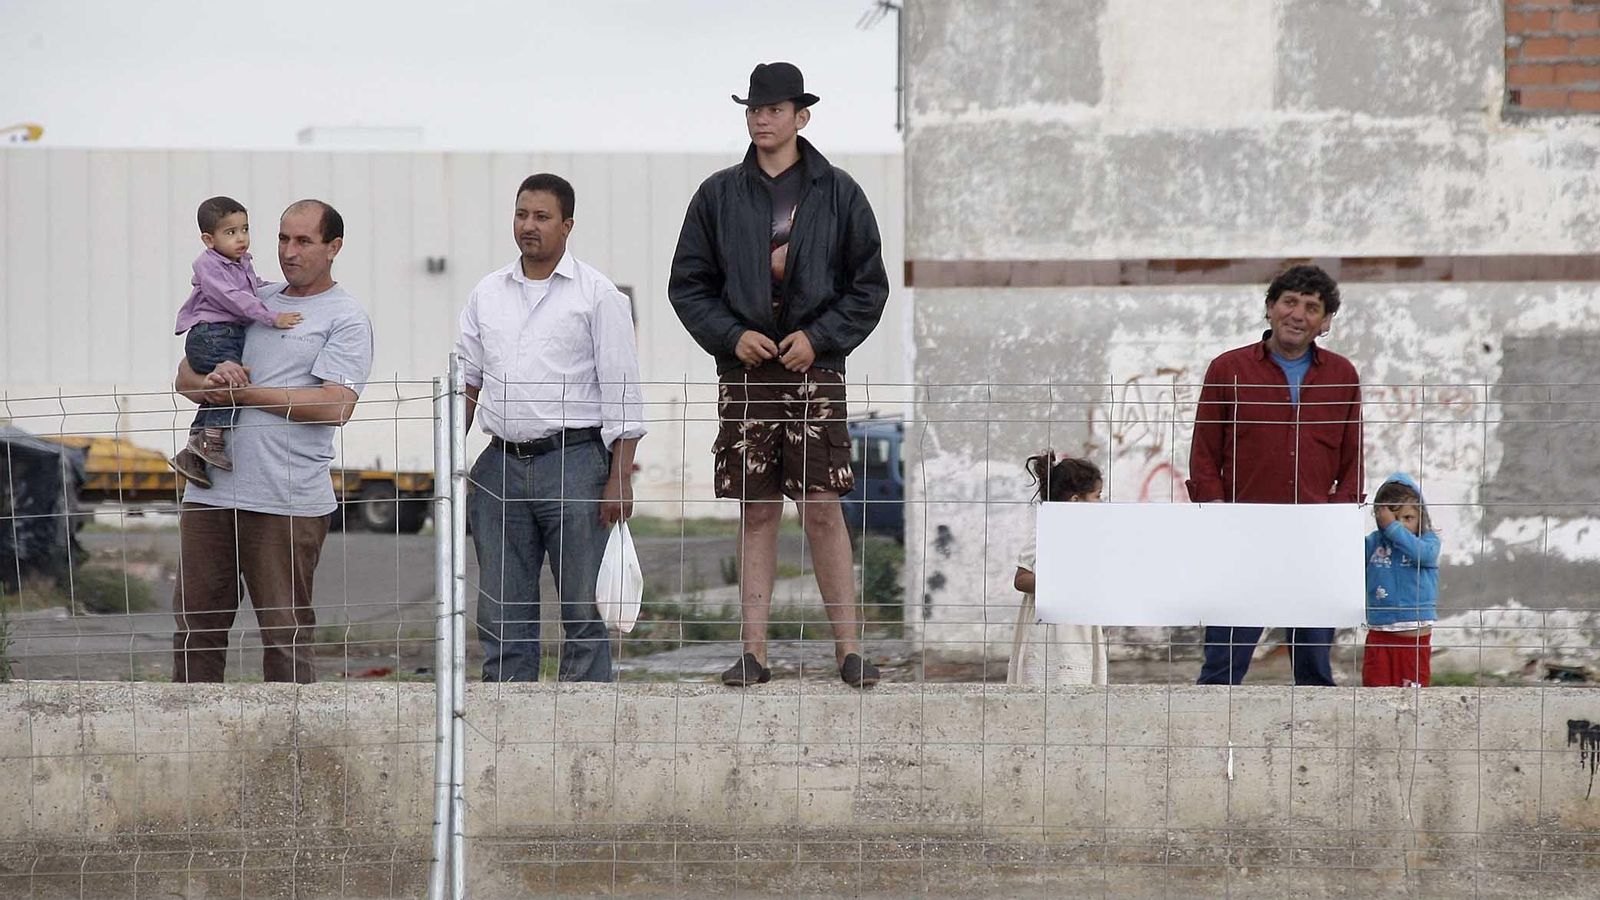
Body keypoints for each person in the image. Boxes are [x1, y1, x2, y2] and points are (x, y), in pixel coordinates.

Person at [669, 62, 890, 688]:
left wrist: (819, 339)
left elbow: (868, 286)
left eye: (773, 109)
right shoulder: (717, 194)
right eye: (754, 109)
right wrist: (731, 335)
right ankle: (754, 654)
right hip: (744, 373)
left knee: (823, 506)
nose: (762, 118)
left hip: (815, 372)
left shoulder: (840, 191)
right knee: (757, 509)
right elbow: (688, 285)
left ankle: (849, 651)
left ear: (801, 116)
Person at [170, 199, 373, 682]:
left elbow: (335, 405)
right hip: (210, 494)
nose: (289, 250)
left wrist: (245, 392)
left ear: (334, 247)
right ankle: (194, 739)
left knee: (286, 636)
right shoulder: (253, 298)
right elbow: (184, 377)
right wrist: (214, 376)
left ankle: (292, 748)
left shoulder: (345, 317)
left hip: (286, 501)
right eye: (282, 238)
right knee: (196, 633)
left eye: (304, 240)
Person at [456, 173, 645, 683]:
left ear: (567, 225)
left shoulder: (598, 296)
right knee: (501, 610)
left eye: (541, 217)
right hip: (499, 465)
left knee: (584, 610)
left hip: (576, 464)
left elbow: (622, 391)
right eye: (521, 214)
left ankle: (583, 726)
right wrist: (455, 457)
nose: (528, 226)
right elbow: (467, 380)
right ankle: (507, 718)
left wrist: (619, 477)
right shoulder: (487, 294)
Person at [1187, 264, 1362, 686]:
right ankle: (1210, 733)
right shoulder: (1228, 369)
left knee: (1314, 662)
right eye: (1289, 302)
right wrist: (1217, 513)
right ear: (1270, 308)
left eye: (1312, 307)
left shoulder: (1342, 376)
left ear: (1325, 323)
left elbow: (1352, 459)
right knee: (1225, 659)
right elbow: (1204, 453)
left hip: (1314, 536)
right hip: (1243, 532)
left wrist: (1336, 520)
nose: (1298, 314)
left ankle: (1316, 743)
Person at [168, 196, 304, 487]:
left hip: (225, 333)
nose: (241, 238)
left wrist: (277, 290)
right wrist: (272, 316)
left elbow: (252, 288)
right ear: (208, 239)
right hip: (212, 334)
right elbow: (235, 298)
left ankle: (193, 448)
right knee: (232, 382)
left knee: (222, 386)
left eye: (244, 229)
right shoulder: (209, 266)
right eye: (230, 232)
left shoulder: (240, 262)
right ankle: (212, 440)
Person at [1009, 453, 1109, 686]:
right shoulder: (1047, 534)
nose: (1101, 503)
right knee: (1049, 680)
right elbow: (1021, 579)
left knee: (1080, 684)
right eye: (1097, 496)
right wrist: (1059, 583)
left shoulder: (1093, 538)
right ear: (1075, 500)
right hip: (1050, 628)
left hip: (1079, 624)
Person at [1362, 473, 1439, 687]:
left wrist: (1393, 528)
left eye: (1408, 518)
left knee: (1413, 695)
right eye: (1392, 519)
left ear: (1421, 517)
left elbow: (1424, 555)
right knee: (1375, 692)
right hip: (1380, 634)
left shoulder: (1427, 542)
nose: (1400, 526)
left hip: (1413, 637)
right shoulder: (1374, 543)